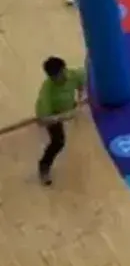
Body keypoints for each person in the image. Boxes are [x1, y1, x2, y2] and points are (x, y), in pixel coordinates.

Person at [35, 57, 87, 186]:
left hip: (68, 108)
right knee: (58, 142)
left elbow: (82, 83)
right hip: (54, 115)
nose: (58, 79)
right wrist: (63, 117)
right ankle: (44, 166)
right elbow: (42, 121)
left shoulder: (74, 74)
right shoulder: (46, 91)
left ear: (64, 69)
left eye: (59, 74)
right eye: (54, 77)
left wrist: (81, 98)